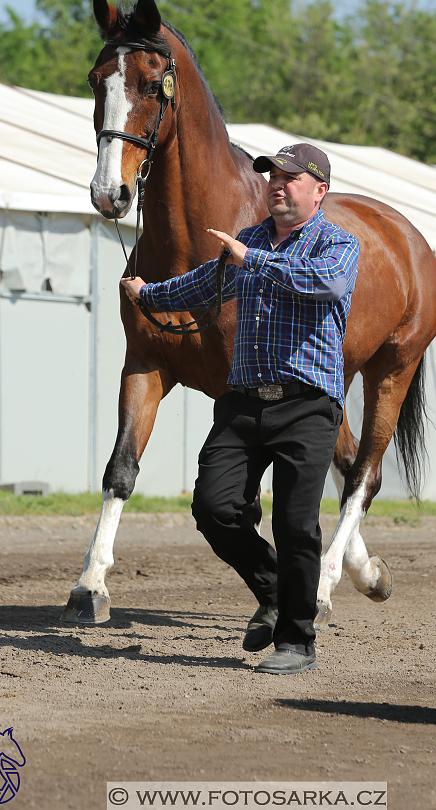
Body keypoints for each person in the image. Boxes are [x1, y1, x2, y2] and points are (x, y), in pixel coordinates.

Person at [121, 143, 359, 674]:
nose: (276, 184)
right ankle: (274, 586)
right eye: (272, 176)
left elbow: (324, 286)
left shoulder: (338, 246)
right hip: (243, 405)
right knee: (213, 508)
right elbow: (204, 284)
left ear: (319, 190)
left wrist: (253, 260)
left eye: (290, 178)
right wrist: (148, 295)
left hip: (308, 407)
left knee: (297, 526)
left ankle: (297, 641)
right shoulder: (245, 240)